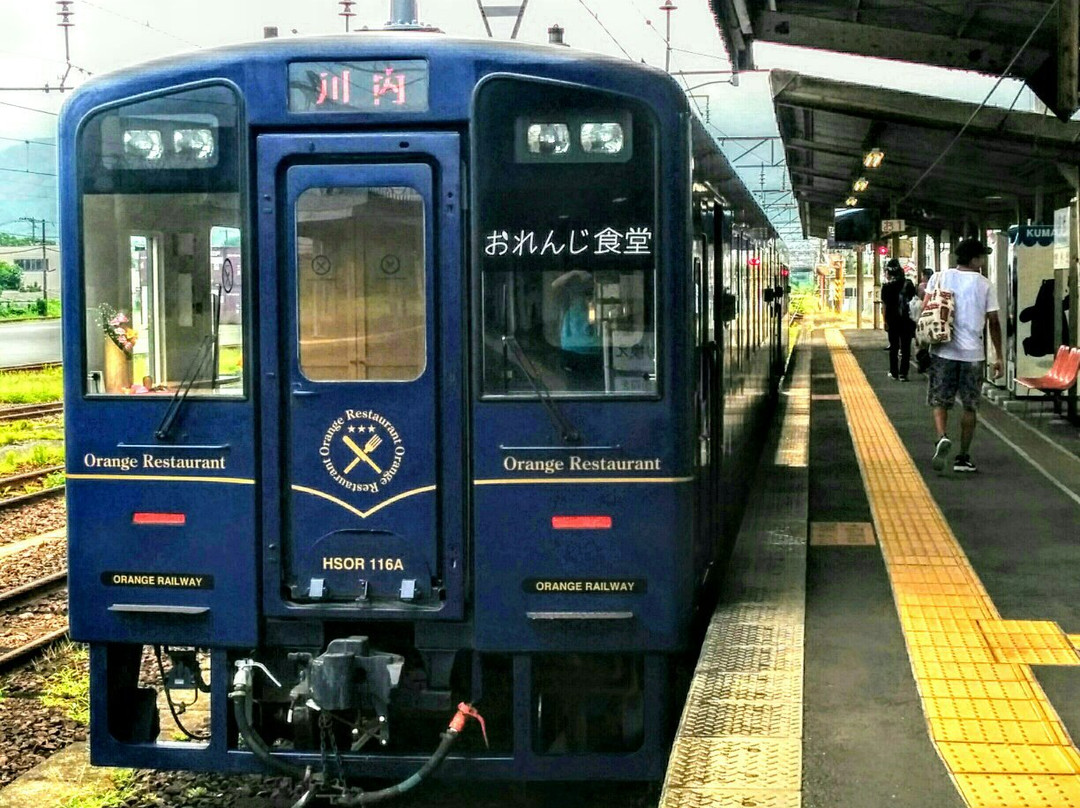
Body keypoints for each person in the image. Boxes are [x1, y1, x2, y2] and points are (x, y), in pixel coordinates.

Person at [924, 239, 1003, 473]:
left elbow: (927, 307)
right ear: (974, 259)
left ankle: (941, 437)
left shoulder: (939, 277)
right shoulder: (985, 285)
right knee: (970, 407)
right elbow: (994, 322)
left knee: (940, 400)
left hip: (942, 350)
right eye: (982, 256)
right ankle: (963, 457)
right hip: (973, 355)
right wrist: (998, 355)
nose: (984, 260)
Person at [880, 259, 917, 381]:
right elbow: (914, 301)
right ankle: (903, 374)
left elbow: (884, 306)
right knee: (906, 348)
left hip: (892, 320)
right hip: (907, 320)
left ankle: (894, 372)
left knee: (894, 347)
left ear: (888, 273)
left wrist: (884, 321)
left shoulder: (886, 287)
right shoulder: (909, 284)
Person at [914, 267, 934, 373]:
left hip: (923, 316)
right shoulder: (937, 285)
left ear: (925, 276)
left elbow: (921, 303)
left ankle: (921, 363)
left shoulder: (922, 287)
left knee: (920, 342)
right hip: (933, 316)